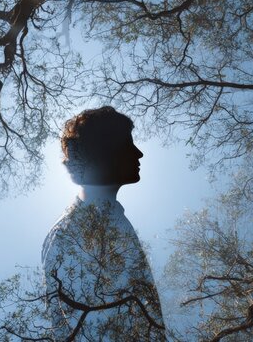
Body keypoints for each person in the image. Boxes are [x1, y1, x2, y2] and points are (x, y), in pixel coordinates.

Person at [41, 106, 167, 341]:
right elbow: (81, 327)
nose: (139, 154)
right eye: (128, 145)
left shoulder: (111, 219)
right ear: (104, 152)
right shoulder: (71, 232)